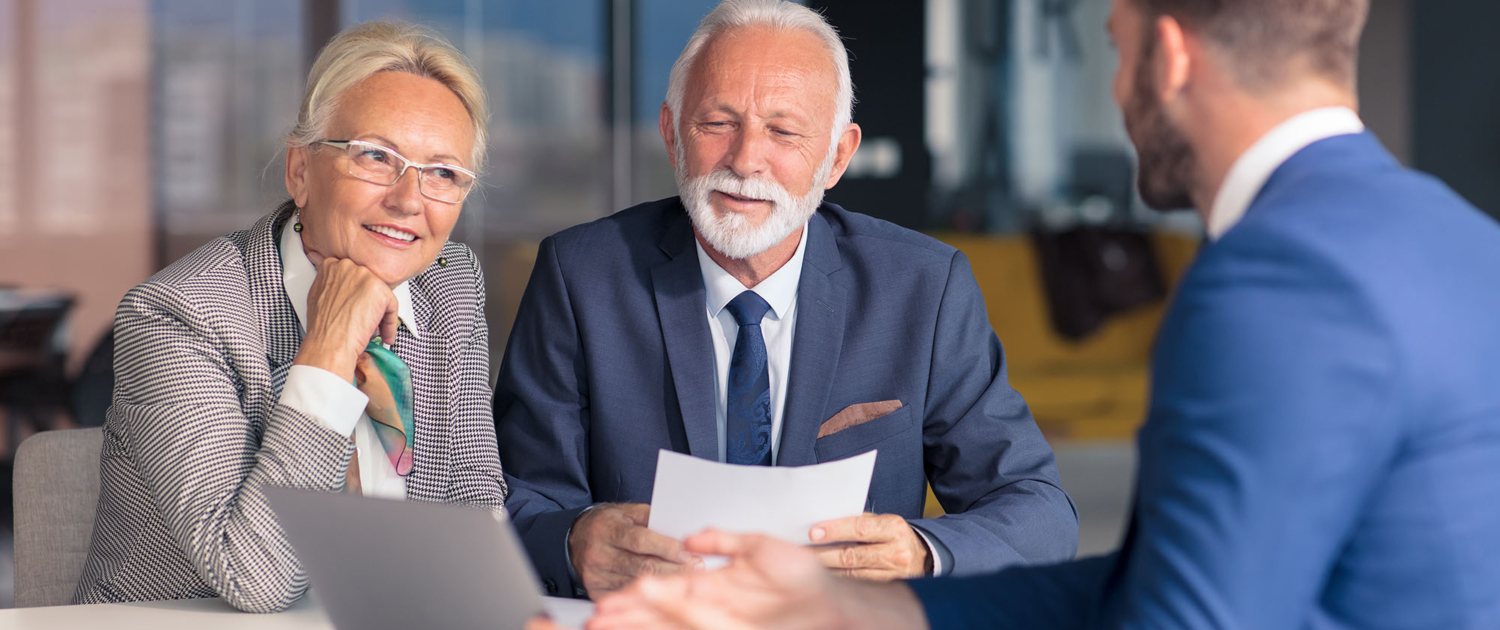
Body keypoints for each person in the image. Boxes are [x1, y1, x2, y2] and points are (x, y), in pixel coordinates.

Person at [566, 0, 1500, 627]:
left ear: (1168, 56)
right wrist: (871, 606)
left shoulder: (1272, 277)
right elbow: (1173, 579)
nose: (1115, 85)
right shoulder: (1463, 241)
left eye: (1117, 47)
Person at [495, 0, 1077, 600]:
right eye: (718, 123)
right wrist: (573, 541)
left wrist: (922, 553)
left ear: (837, 157)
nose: (747, 161)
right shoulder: (581, 275)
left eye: (784, 131)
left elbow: (1040, 515)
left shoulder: (923, 289)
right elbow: (512, 498)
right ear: (671, 133)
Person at [73, 21, 507, 613]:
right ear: (300, 170)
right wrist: (329, 348)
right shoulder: (180, 314)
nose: (409, 200)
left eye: (442, 173)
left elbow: (473, 505)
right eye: (377, 157)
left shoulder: (449, 284)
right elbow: (258, 577)